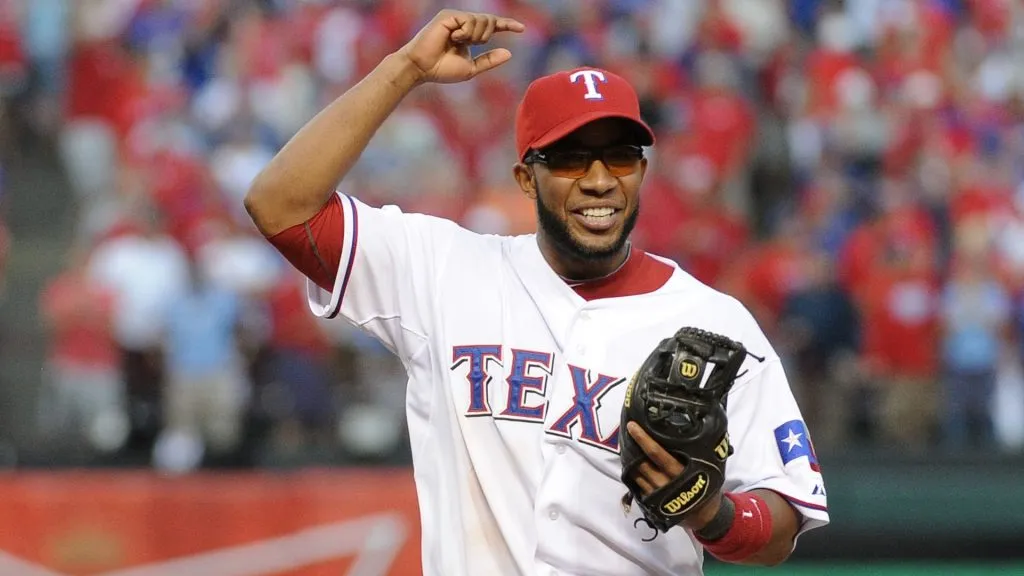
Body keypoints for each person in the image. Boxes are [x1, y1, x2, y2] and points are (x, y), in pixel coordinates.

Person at [245, 10, 828, 575]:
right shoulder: (443, 271)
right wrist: (405, 70)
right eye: (572, 159)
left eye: (620, 155)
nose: (600, 179)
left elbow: (782, 519)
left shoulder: (714, 321)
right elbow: (280, 205)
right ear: (527, 177)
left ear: (642, 170)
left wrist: (713, 514)